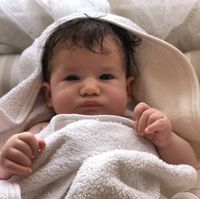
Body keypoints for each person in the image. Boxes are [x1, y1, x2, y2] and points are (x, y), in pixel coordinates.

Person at [0, 18, 197, 179]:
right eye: (72, 78)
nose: (90, 89)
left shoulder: (141, 126)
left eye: (105, 77)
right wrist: (9, 160)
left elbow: (189, 167)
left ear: (127, 89)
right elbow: (9, 178)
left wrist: (167, 139)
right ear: (49, 95)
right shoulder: (42, 130)